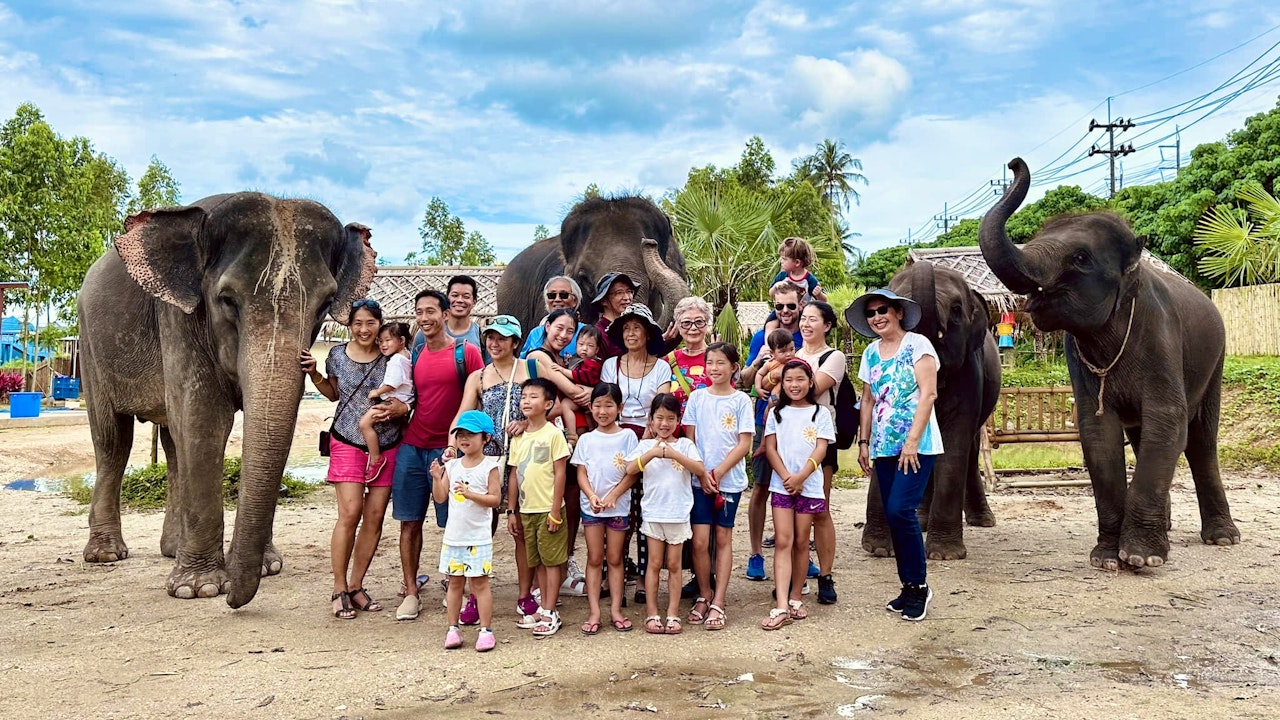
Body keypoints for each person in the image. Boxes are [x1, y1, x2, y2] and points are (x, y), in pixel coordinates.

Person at [302, 298, 406, 620]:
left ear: (379, 324)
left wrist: (402, 408)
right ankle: (338, 586)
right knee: (350, 513)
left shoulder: (393, 357)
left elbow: (407, 393)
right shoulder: (336, 355)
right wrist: (315, 375)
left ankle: (356, 586)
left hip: (388, 443)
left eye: (370, 323)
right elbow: (334, 393)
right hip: (347, 439)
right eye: (358, 323)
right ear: (350, 326)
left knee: (374, 518)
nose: (364, 329)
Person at [392, 289, 484, 621]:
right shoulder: (415, 354)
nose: (424, 318)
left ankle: (453, 582)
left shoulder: (467, 352)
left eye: (431, 311)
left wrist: (466, 449)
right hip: (413, 446)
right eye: (419, 312)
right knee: (409, 521)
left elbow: (480, 398)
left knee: (453, 522)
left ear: (445, 315)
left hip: (450, 451)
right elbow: (410, 396)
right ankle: (411, 592)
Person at [851, 288, 942, 622]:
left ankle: (919, 586)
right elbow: (869, 400)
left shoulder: (918, 345)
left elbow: (928, 393)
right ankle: (907, 585)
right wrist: (864, 443)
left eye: (883, 310)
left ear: (899, 312)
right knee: (893, 517)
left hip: (916, 446)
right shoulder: (871, 353)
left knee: (901, 510)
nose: (877, 317)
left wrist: (912, 441)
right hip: (883, 448)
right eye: (872, 313)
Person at [449, 314, 536, 625]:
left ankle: (525, 594)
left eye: (503, 337)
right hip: (488, 461)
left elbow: (547, 406)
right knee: (481, 529)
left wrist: (526, 423)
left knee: (521, 529)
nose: (495, 343)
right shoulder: (478, 376)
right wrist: (452, 446)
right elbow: (462, 416)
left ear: (515, 341)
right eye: (491, 337)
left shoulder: (530, 369)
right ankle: (475, 596)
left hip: (523, 458)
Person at [601, 303, 673, 602]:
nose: (631, 333)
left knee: (644, 510)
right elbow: (604, 403)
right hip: (616, 440)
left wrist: (648, 434)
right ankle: (610, 571)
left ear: (647, 333)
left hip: (647, 439)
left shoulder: (661, 367)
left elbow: (661, 405)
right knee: (617, 508)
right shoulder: (610, 366)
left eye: (637, 328)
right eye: (626, 328)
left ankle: (644, 577)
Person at [683, 342, 754, 631]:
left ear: (734, 367)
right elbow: (689, 439)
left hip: (729, 482)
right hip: (699, 480)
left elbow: (745, 443)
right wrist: (701, 473)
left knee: (723, 539)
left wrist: (719, 472)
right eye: (710, 362)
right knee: (699, 541)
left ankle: (719, 601)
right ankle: (704, 592)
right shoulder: (697, 398)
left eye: (721, 362)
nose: (714, 368)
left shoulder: (740, 401)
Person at [740, 280, 806, 582]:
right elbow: (746, 377)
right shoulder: (761, 338)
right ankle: (755, 552)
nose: (785, 311)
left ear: (800, 304)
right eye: (779, 307)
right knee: (762, 487)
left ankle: (797, 552)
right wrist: (760, 368)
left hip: (800, 423)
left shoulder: (807, 336)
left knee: (798, 488)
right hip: (764, 421)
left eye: (791, 306)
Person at [760, 360, 834, 630]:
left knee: (802, 542)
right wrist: (787, 478)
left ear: (810, 382)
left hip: (810, 486)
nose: (794, 385)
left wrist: (802, 476)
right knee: (783, 541)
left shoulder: (820, 413)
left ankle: (795, 597)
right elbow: (770, 448)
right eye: (788, 380)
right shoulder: (776, 414)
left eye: (800, 379)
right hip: (782, 486)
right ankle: (780, 604)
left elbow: (821, 449)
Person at [625, 393, 704, 635]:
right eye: (659, 418)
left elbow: (699, 469)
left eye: (670, 418)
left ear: (678, 420)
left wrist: (673, 454)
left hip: (678, 515)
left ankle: (672, 614)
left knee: (674, 565)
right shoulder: (645, 446)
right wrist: (652, 453)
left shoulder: (685, 445)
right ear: (650, 420)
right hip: (653, 514)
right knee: (654, 563)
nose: (664, 423)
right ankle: (652, 613)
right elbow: (629, 469)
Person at [429, 411, 501, 651]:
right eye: (460, 434)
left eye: (471, 434)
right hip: (454, 537)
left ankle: (486, 630)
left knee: (480, 584)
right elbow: (440, 498)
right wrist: (437, 478)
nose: (464, 439)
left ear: (486, 438)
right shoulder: (453, 465)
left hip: (478, 537)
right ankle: (453, 628)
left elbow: (495, 499)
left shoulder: (490, 467)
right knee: (454, 583)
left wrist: (471, 494)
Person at [571, 383, 639, 634]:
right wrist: (591, 496)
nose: (603, 410)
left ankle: (616, 610)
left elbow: (632, 472)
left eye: (609, 405)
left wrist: (614, 495)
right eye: (598, 405)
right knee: (595, 558)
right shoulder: (586, 439)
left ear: (620, 408)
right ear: (591, 408)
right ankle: (594, 611)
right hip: (592, 509)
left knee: (615, 558)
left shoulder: (629, 437)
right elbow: (581, 472)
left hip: (618, 507)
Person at [506, 377, 572, 637]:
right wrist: (512, 510)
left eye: (533, 397)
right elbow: (513, 474)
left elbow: (560, 474)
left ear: (548, 404)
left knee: (551, 562)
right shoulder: (519, 436)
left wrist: (555, 511)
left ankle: (550, 611)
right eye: (523, 397)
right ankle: (543, 606)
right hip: (526, 510)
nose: (526, 401)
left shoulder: (554, 434)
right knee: (538, 563)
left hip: (548, 509)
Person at [792, 301, 845, 605]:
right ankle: (798, 576)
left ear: (826, 325)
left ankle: (825, 575)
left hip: (821, 439)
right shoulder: (795, 355)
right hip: (790, 441)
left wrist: (782, 378)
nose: (806, 324)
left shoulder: (834, 357)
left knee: (819, 510)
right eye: (803, 319)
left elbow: (809, 389)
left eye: (813, 319)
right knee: (791, 509)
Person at [359, 322, 414, 481]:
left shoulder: (396, 359)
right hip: (405, 401)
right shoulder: (407, 356)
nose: (383, 345)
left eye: (388, 340)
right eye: (380, 341)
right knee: (404, 431)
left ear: (401, 341)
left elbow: (392, 383)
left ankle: (376, 458)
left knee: (364, 424)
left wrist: (377, 392)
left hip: (391, 402)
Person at [761, 237, 828, 337]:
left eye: (784, 259)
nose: (781, 262)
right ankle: (768, 344)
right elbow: (771, 294)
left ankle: (805, 349)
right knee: (770, 324)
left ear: (797, 262)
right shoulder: (783, 276)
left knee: (807, 328)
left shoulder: (809, 280)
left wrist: (819, 294)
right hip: (783, 309)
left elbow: (824, 301)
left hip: (803, 313)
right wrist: (775, 287)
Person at [666, 296, 714, 413]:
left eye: (699, 322)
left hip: (709, 428)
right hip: (675, 429)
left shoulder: (717, 358)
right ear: (678, 326)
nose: (693, 328)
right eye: (686, 323)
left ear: (707, 324)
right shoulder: (669, 360)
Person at [522, 276, 587, 359]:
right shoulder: (536, 333)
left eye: (563, 295)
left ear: (575, 300)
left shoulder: (586, 332)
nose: (557, 299)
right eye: (552, 295)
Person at [591, 272, 641, 359]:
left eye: (629, 291)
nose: (627, 298)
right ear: (604, 301)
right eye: (619, 293)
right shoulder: (599, 334)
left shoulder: (635, 327)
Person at [445, 275, 487, 363]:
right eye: (455, 295)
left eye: (466, 297)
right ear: (447, 298)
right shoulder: (428, 333)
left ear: (474, 302)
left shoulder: (483, 337)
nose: (460, 300)